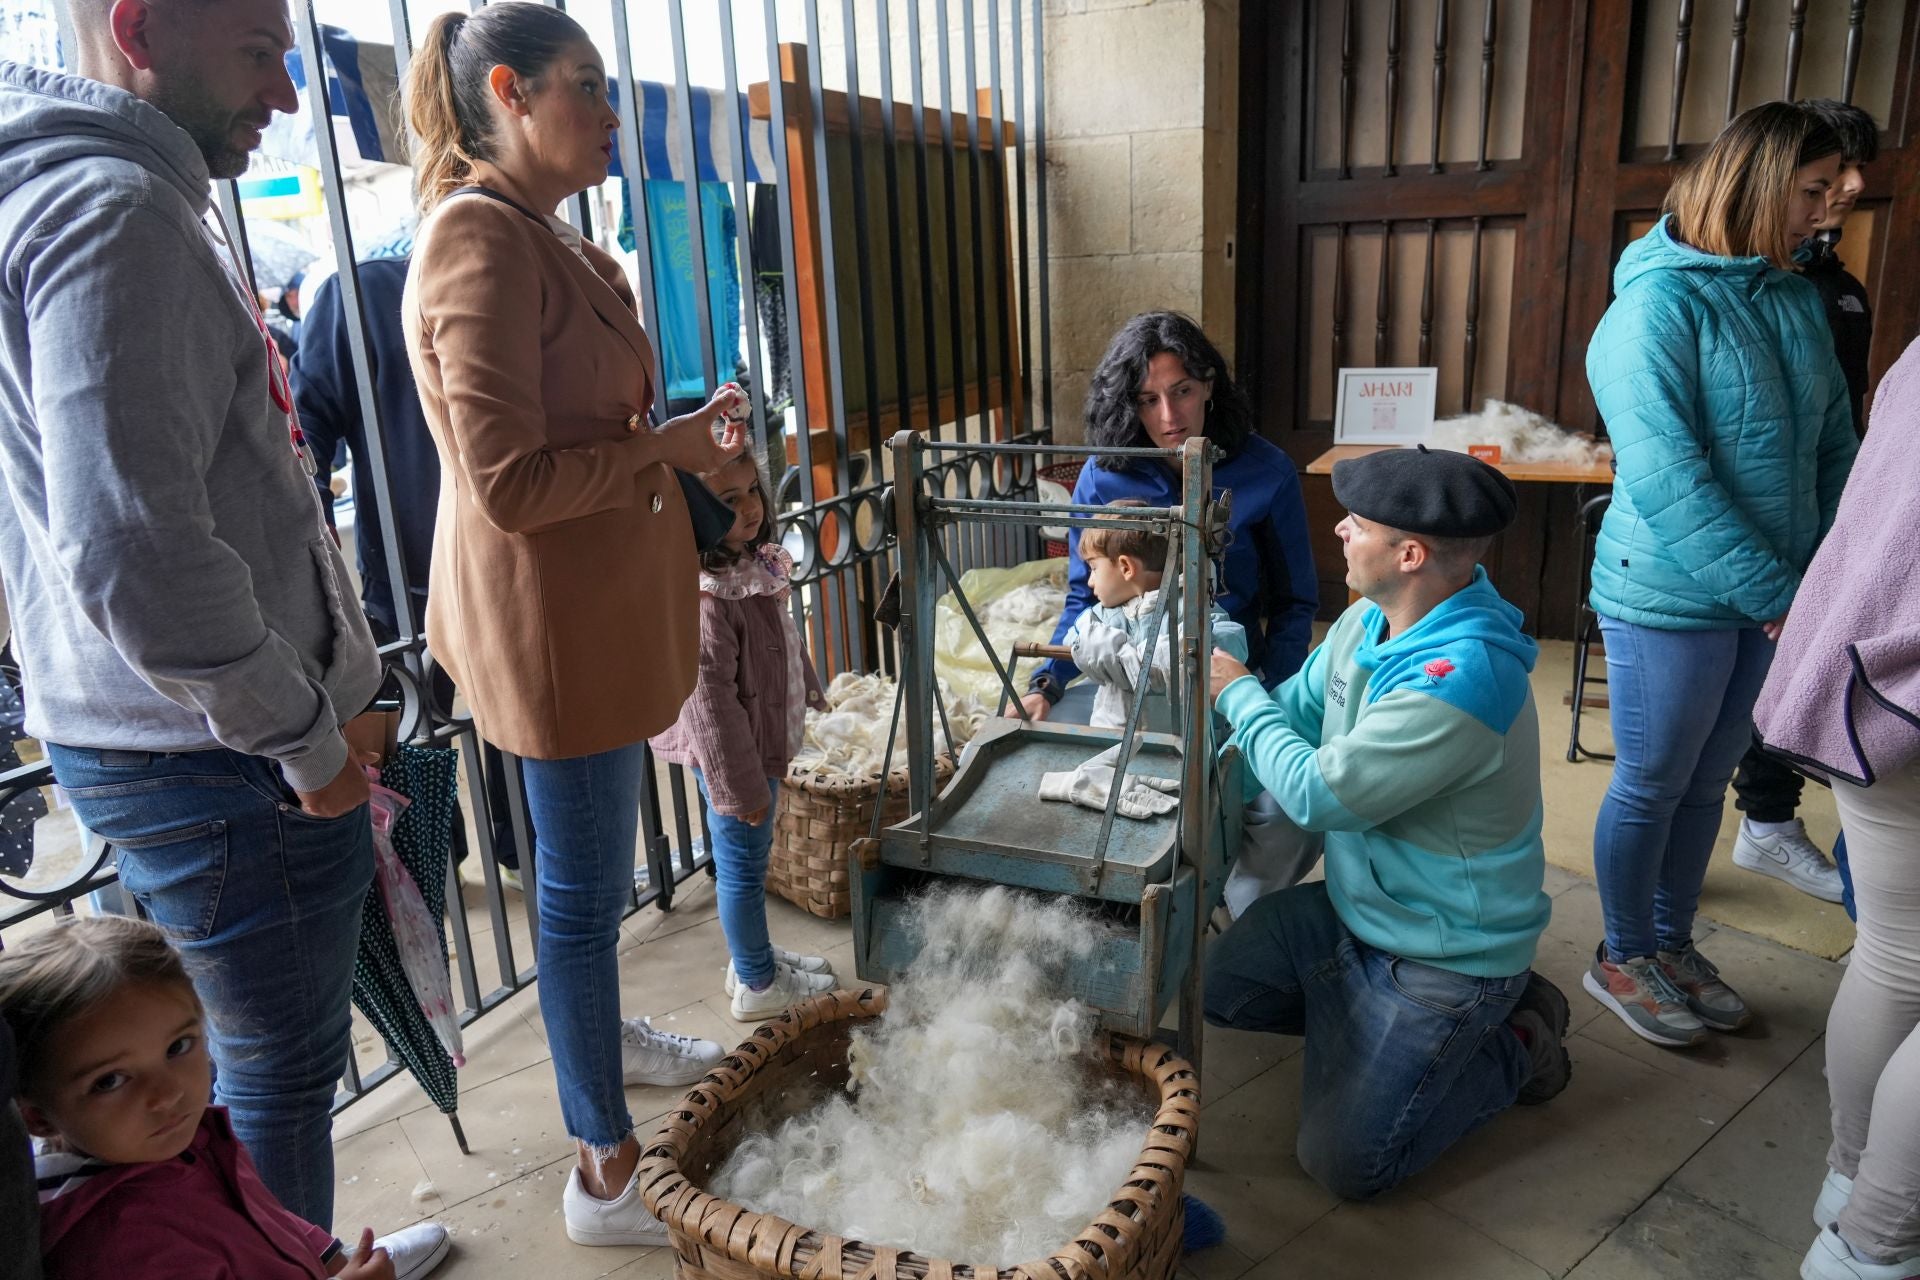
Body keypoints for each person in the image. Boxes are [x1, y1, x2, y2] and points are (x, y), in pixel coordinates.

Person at [0, 0, 417, 1234]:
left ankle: (269, 1251)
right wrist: (305, 740)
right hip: (220, 750)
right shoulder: (115, 209)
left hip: (162, 734)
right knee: (271, 1070)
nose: (285, 94)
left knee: (219, 1069)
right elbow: (136, 546)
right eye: (257, 52)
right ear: (140, 29)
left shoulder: (74, 191)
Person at [400, 2, 750, 1248]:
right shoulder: (475, 240)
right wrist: (663, 449)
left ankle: (599, 1054)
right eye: (587, 87)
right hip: (554, 632)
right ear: (510, 91)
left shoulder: (541, 234)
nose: (612, 115)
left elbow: (587, 420)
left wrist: (674, 443)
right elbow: (508, 483)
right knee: (580, 889)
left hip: (593, 616)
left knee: (587, 886)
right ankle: (602, 1167)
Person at [1204, 445, 1567, 1201]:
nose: (1340, 530)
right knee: (1217, 991)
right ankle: (1375, 1034)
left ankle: (1517, 1036)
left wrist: (1235, 693)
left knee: (1346, 1164)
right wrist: (1192, 775)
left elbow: (1317, 795)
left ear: (1409, 555)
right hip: (1356, 913)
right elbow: (1296, 713)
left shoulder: (1462, 679)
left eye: (1357, 523)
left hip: (1445, 951)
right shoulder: (1369, 620)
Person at [1581, 102, 1857, 1048]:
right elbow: (1669, 480)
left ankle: (1671, 941)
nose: (1825, 209)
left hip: (1773, 596)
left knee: (1707, 785)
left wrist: (1825, 573)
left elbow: (1835, 444)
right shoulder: (1653, 307)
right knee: (1652, 782)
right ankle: (1622, 953)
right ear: (1757, 184)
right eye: (1812, 190)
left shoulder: (1792, 295)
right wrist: (1782, 595)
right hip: (1672, 594)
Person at [2, 915, 449, 1279]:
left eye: (177, 1047)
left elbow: (258, 1217)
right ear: (37, 1117)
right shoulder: (121, 1247)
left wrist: (326, 1256)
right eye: (109, 1081)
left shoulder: (170, 1141)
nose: (167, 1093)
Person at [1753, 332, 1920, 1280]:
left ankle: (1851, 1181)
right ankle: (1875, 1239)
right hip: (1889, 675)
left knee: (1895, 956)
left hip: (1864, 662)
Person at [1730, 98, 1880, 906]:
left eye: (1855, 171)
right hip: (1756, 524)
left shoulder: (1836, 287)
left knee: (1802, 666)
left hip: (1827, 499)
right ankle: (1762, 820)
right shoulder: (1757, 284)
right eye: (1829, 175)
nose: (1850, 186)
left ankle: (1769, 817)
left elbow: (1841, 417)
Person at [1020, 312, 1316, 723]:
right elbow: (1084, 597)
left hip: (1231, 680)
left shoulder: (1268, 471)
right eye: (1148, 400)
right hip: (1128, 686)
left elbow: (1294, 603)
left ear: (1208, 385)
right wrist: (1046, 684)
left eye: (1183, 391)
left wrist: (1273, 695)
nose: (1169, 417)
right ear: (1129, 404)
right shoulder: (1101, 477)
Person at [651, 450, 836, 1021]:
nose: (751, 508)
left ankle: (750, 958)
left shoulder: (747, 568)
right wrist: (739, 787)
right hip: (737, 760)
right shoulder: (709, 597)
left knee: (748, 864)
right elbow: (708, 703)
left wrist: (809, 688)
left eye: (752, 490)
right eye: (728, 501)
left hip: (755, 746)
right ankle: (758, 983)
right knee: (741, 868)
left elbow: (779, 641)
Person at [1059, 499, 1246, 730]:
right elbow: (1073, 638)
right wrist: (1107, 648)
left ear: (1126, 567)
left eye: (1094, 568)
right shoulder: (1101, 616)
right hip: (1113, 741)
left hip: (1182, 744)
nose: (1089, 581)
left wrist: (1169, 654)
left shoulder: (1190, 606)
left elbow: (1232, 641)